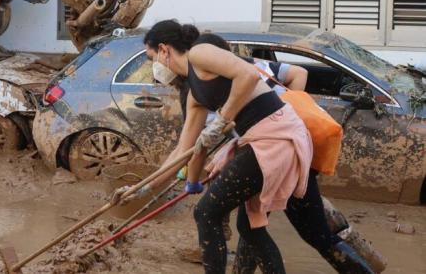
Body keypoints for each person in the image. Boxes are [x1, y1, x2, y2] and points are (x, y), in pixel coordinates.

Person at [115, 20, 313, 274]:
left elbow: (249, 75)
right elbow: (184, 150)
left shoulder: (200, 53)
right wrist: (144, 188)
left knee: (206, 212)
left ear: (164, 49)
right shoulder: (193, 95)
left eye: (152, 57)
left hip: (277, 136)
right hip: (257, 140)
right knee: (249, 227)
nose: (154, 67)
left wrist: (221, 120)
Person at [184, 34, 373, 273]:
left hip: (281, 145)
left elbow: (292, 77)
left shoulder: (235, 73)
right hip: (276, 145)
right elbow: (195, 145)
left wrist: (223, 121)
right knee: (254, 225)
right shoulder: (217, 82)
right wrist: (191, 180)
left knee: (312, 233)